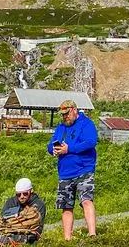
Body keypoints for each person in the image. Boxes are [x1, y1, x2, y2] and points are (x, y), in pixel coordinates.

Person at [47, 99, 98, 241]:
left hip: (84, 169)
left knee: (86, 200)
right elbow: (50, 145)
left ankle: (92, 234)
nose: (65, 117)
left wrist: (69, 149)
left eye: (67, 113)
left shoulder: (87, 124)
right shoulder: (61, 127)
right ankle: (67, 238)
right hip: (65, 172)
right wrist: (54, 150)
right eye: (62, 115)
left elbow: (90, 142)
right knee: (66, 206)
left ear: (74, 110)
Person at [0, 177, 46, 242]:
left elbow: (37, 225)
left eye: (25, 194)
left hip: (30, 236)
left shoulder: (39, 204)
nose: (22, 197)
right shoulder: (11, 202)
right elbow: (3, 219)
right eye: (18, 194)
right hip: (8, 233)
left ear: (31, 191)